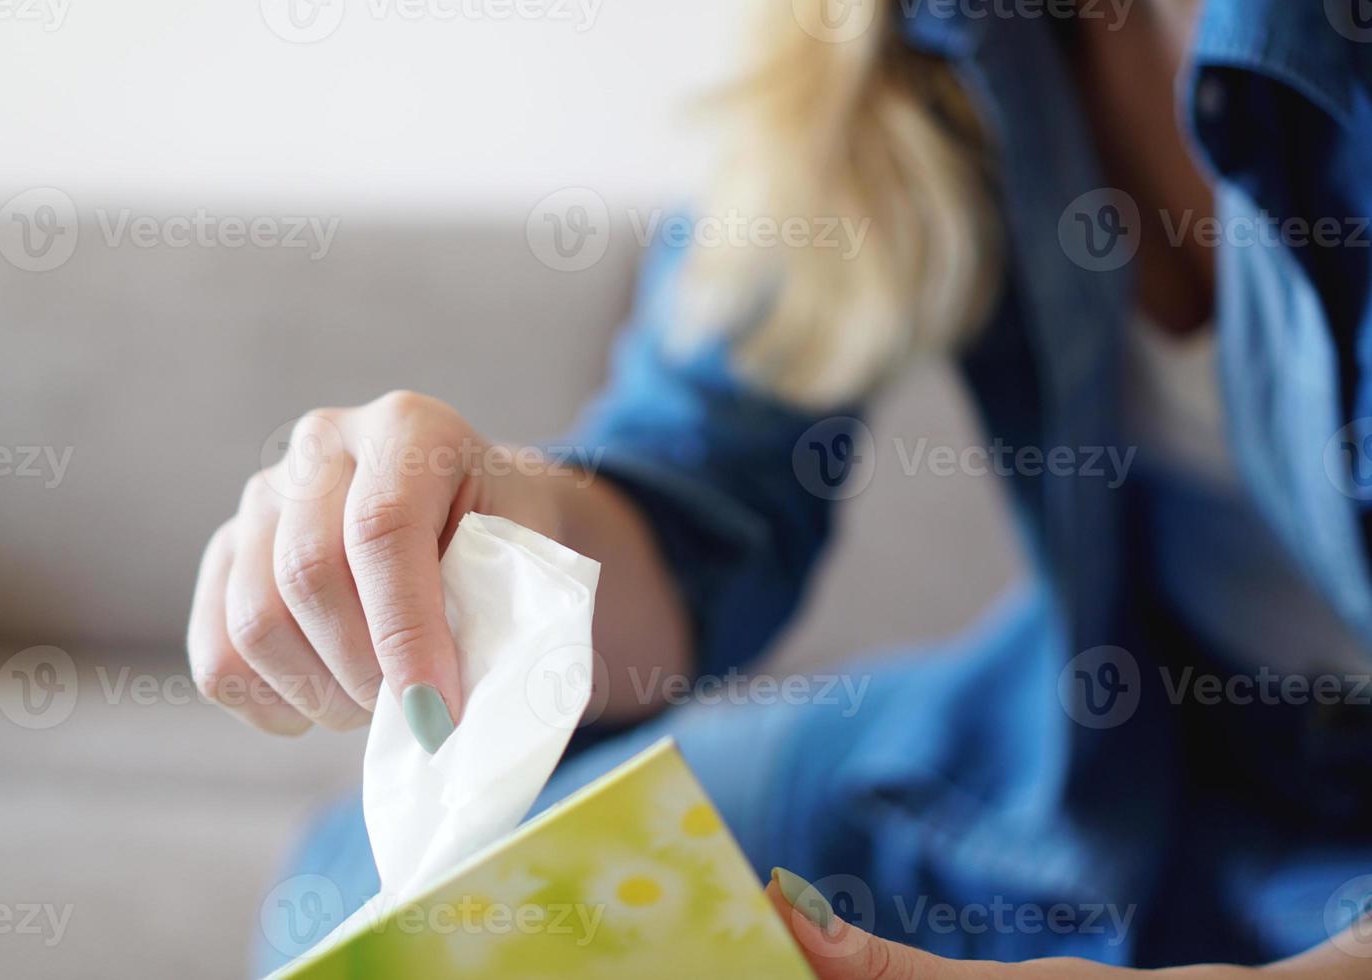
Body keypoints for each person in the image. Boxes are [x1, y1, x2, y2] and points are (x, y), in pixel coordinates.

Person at [186, 0, 1372, 975]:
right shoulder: (905, 40)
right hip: (1123, 751)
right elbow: (696, 491)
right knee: (371, 917)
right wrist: (495, 535)